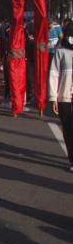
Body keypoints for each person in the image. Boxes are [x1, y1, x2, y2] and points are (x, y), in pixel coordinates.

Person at [48, 23, 73, 172]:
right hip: (64, 97)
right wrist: (53, 97)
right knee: (68, 129)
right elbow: (54, 74)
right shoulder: (60, 52)